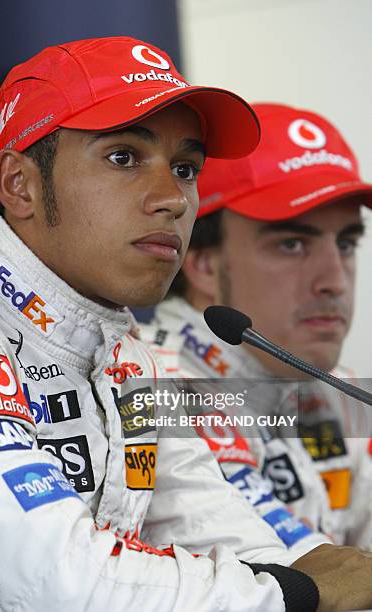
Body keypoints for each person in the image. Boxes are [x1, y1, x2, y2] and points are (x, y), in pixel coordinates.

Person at [0, 38, 371, 612]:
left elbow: (227, 532)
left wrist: (319, 579)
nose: (173, 198)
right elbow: (60, 587)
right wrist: (303, 593)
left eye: (186, 168)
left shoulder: (129, 360)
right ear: (22, 185)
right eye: (123, 157)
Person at [142, 102, 372, 550]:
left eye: (346, 243)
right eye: (291, 244)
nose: (334, 281)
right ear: (202, 263)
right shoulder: (146, 387)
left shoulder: (342, 394)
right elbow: (294, 577)